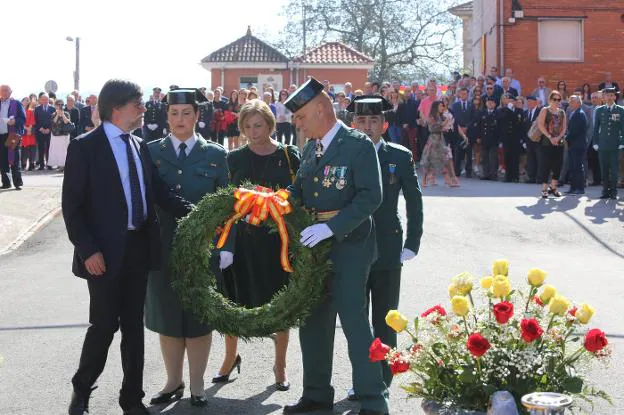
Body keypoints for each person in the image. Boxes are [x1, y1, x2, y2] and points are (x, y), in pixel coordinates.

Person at [62, 79, 193, 415]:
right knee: (105, 325)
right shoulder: (85, 147)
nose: (143, 108)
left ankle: (131, 399)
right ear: (117, 107)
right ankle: (82, 390)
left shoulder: (139, 146)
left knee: (134, 327)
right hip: (102, 255)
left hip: (138, 249)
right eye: (138, 103)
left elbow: (160, 193)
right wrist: (88, 250)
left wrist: (200, 211)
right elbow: (72, 207)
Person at [282, 78, 389, 415]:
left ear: (319, 109)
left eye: (299, 117)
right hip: (314, 248)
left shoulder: (357, 145)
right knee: (312, 321)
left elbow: (371, 196)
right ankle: (315, 395)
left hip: (349, 246)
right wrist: (274, 202)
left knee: (356, 324)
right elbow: (299, 191)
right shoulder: (310, 149)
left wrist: (331, 228)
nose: (296, 124)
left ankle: (373, 400)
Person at [145, 89, 229, 407]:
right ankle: (172, 381)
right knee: (167, 317)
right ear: (167, 117)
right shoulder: (150, 152)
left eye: (186, 113)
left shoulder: (216, 155)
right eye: (174, 113)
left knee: (198, 318)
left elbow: (227, 207)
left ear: (197, 116)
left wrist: (226, 247)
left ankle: (196, 384)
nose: (180, 119)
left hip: (202, 249)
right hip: (162, 247)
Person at [216, 99, 301, 393]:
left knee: (280, 304)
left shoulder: (289, 156)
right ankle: (229, 357)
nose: (254, 132)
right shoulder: (233, 159)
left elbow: (298, 193)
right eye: (248, 126)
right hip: (241, 242)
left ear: (270, 125)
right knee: (234, 299)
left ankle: (280, 365)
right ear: (241, 128)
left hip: (278, 242)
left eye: (259, 125)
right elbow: (225, 199)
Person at [347, 95, 423, 391]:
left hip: (388, 247)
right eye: (362, 121)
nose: (367, 127)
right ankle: (362, 379)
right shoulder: (347, 154)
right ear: (353, 124)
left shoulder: (399, 156)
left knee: (386, 317)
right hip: (352, 246)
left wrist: (413, 242)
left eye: (374, 121)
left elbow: (414, 202)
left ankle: (383, 379)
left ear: (384, 124)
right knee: (357, 319)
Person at [593, 87, 624, 199]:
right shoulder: (599, 110)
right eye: (607, 95)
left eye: (612, 95)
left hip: (615, 144)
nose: (610, 97)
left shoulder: (621, 110)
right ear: (604, 97)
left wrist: (622, 141)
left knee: (614, 170)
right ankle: (605, 191)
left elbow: (623, 128)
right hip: (602, 144)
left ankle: (614, 192)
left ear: (615, 97)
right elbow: (596, 128)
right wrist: (595, 142)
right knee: (604, 169)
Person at [536, 90, 568, 198]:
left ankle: (553, 187)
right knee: (545, 165)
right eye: (554, 99)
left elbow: (564, 128)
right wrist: (550, 137)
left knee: (558, 165)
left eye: (559, 100)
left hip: (559, 143)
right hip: (546, 142)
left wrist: (558, 138)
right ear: (550, 100)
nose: (556, 101)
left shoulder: (562, 112)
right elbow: (540, 125)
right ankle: (544, 189)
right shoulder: (545, 110)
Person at [421, 100, 458, 187]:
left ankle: (448, 180)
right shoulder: (432, 116)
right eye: (441, 106)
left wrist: (445, 126)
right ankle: (424, 179)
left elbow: (442, 127)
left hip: (440, 140)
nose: (442, 108)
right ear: (436, 107)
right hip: (433, 140)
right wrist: (443, 124)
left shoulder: (441, 116)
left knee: (443, 159)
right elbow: (433, 128)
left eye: (443, 106)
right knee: (429, 161)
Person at [0, 85, 25, 189]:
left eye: (6, 90)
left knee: (14, 159)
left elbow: (23, 119)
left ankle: (17, 183)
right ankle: (6, 183)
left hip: (12, 135)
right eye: (2, 90)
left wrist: (15, 121)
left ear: (11, 92)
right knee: (2, 160)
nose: (4, 92)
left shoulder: (16, 103)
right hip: (1, 135)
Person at [564, 95, 588, 195]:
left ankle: (580, 188)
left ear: (578, 103)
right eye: (570, 101)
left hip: (578, 145)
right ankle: (573, 188)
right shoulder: (574, 113)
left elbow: (574, 131)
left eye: (572, 101)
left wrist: (565, 138)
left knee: (577, 167)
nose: (570, 103)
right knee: (572, 167)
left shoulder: (580, 114)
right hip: (573, 144)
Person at [450, 87, 477, 178]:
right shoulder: (455, 105)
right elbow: (453, 118)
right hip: (458, 132)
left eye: (465, 94)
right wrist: (460, 128)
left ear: (468, 94)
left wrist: (467, 127)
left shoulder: (471, 105)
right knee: (458, 152)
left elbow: (473, 118)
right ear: (459, 94)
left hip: (468, 132)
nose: (463, 95)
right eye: (462, 94)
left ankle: (468, 172)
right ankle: (457, 171)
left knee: (468, 153)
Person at [497, 94, 522, 182]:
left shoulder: (519, 111)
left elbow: (518, 122)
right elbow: (500, 118)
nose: (511, 102)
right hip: (506, 138)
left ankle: (515, 176)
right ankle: (508, 176)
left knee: (515, 157)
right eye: (509, 101)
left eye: (512, 101)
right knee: (507, 157)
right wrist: (508, 109)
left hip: (515, 138)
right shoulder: (502, 110)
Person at [478, 97, 500, 181]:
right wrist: (479, 137)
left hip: (494, 139)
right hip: (484, 138)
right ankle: (486, 173)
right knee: (485, 157)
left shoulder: (497, 113)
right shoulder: (482, 113)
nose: (490, 104)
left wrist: (499, 139)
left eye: (492, 102)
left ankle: (493, 174)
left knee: (493, 158)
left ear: (495, 104)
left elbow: (499, 127)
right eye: (488, 102)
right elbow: (479, 126)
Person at [48, 99, 73, 170]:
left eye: (61, 104)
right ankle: (59, 164)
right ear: (55, 106)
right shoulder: (53, 114)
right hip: (56, 134)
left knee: (64, 150)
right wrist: (57, 114)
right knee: (56, 150)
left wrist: (62, 115)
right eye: (58, 104)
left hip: (64, 134)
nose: (60, 106)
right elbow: (53, 122)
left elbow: (67, 122)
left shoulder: (67, 113)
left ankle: (64, 165)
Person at [34, 92, 55, 170]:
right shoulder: (37, 109)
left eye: (46, 99)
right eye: (43, 99)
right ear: (40, 100)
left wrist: (49, 129)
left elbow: (54, 121)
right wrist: (41, 129)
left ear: (48, 99)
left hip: (49, 132)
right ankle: (41, 165)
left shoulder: (53, 108)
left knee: (49, 148)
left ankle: (49, 164)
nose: (45, 101)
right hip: (40, 131)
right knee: (41, 148)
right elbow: (35, 121)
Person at [524, 96, 541, 183]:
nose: (529, 104)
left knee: (539, 158)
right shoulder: (526, 112)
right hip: (528, 140)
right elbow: (523, 128)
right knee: (530, 159)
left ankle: (539, 178)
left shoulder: (540, 112)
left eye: (531, 102)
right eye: (528, 102)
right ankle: (531, 177)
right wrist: (523, 140)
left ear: (535, 102)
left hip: (538, 140)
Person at [21, 98, 37, 171]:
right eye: (24, 101)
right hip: (23, 132)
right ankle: (23, 164)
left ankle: (31, 164)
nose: (26, 102)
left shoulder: (30, 111)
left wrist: (29, 129)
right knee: (24, 149)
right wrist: (26, 129)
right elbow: (20, 121)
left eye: (27, 101)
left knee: (31, 149)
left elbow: (32, 120)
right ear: (22, 102)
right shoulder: (20, 111)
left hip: (30, 133)